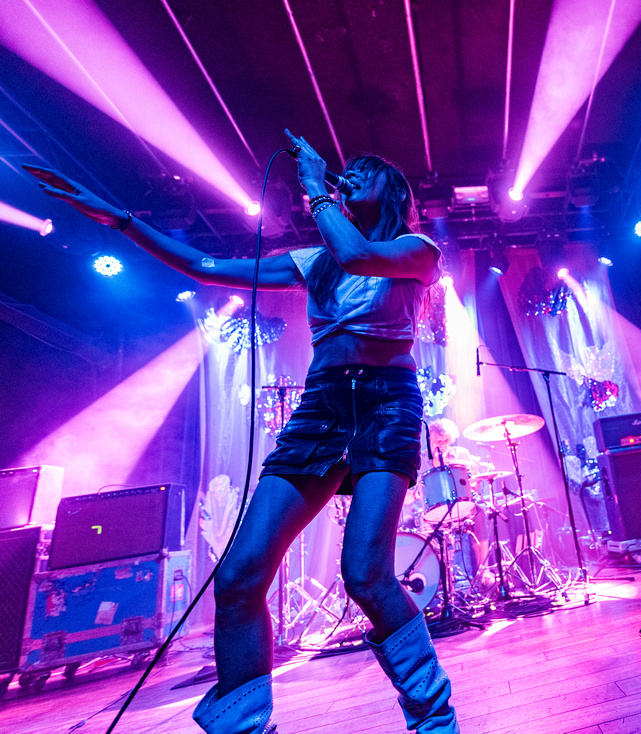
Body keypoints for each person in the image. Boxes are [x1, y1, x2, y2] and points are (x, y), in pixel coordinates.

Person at [26, 132, 459, 734]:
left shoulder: (417, 249)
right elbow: (204, 266)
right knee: (238, 577)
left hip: (387, 404)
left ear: (395, 191)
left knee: (365, 573)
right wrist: (121, 218)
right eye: (349, 167)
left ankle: (435, 721)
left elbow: (359, 256)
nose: (353, 171)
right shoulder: (313, 261)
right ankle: (246, 728)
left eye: (369, 168)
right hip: (321, 408)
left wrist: (315, 193)